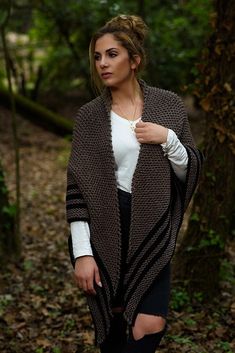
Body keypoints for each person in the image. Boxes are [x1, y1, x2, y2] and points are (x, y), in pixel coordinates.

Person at [66, 14, 202, 353]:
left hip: (151, 228)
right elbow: (77, 190)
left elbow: (188, 174)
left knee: (150, 323)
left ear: (135, 60)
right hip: (106, 230)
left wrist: (169, 139)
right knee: (114, 327)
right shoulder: (89, 117)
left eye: (111, 54)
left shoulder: (168, 106)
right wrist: (83, 253)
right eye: (97, 56)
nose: (102, 64)